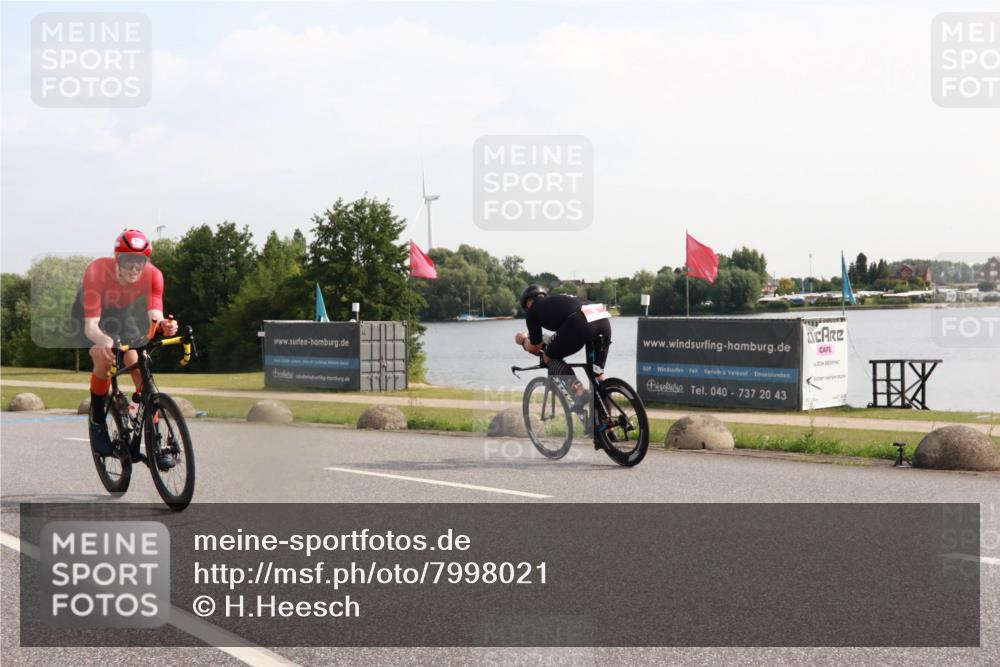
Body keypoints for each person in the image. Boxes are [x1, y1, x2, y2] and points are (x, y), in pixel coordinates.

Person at [72, 229, 178, 464]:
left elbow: (155, 315)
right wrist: (105, 341)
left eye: (140, 261)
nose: (134, 268)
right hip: (88, 316)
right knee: (104, 357)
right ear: (117, 259)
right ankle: (98, 422)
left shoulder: (154, 276)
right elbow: (91, 327)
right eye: (128, 260)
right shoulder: (97, 271)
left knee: (139, 364)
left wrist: (165, 326)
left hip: (120, 313)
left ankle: (154, 442)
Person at [513, 284, 611, 411]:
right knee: (598, 374)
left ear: (529, 301)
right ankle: (607, 424)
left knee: (548, 356)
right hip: (601, 317)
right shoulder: (558, 300)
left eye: (526, 307)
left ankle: (580, 392)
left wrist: (522, 340)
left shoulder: (533, 310)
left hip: (579, 321)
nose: (527, 309)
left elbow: (535, 348)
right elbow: (562, 332)